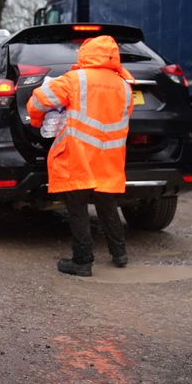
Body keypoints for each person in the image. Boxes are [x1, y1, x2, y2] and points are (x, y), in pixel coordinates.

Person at [26, 35, 134, 277]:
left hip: (79, 153)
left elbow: (40, 101)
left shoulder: (75, 80)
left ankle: (82, 261)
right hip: (110, 157)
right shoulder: (124, 86)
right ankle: (119, 254)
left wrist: (36, 120)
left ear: (87, 54)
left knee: (77, 207)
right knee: (108, 205)